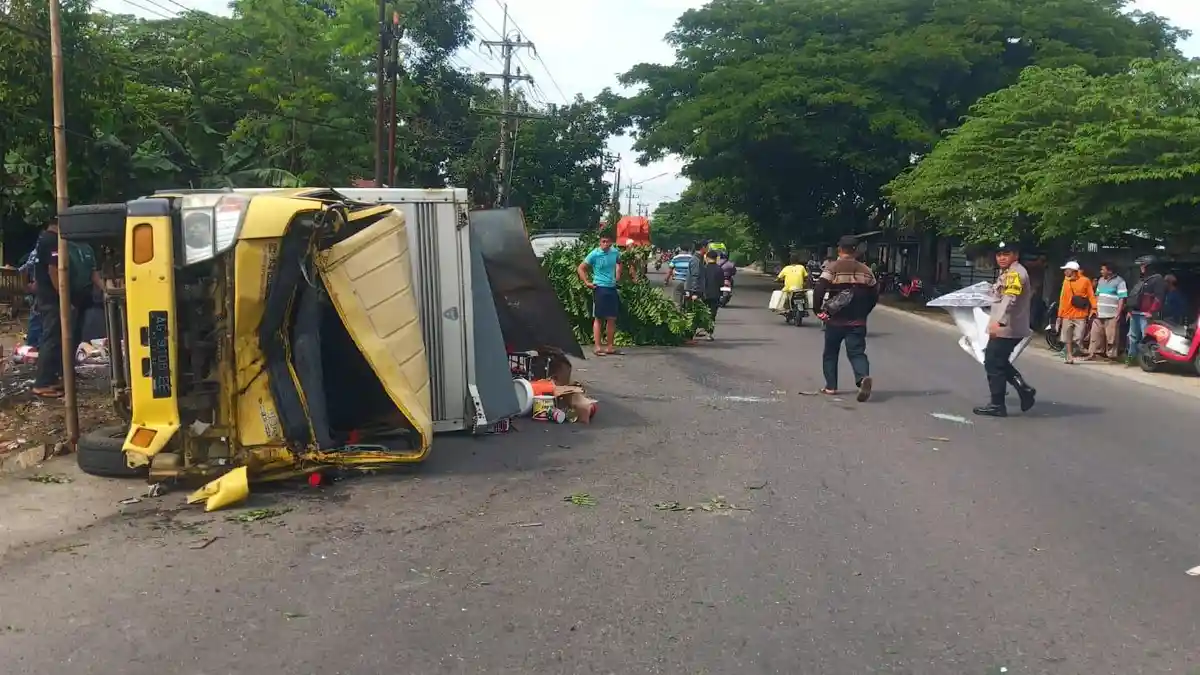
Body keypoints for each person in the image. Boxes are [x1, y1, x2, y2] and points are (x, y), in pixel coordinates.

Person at [31, 217, 102, 398]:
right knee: (52, 338)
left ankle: (56, 377)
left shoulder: (48, 239)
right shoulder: (51, 240)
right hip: (52, 298)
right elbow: (54, 270)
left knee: (61, 337)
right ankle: (43, 383)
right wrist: (64, 296)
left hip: (53, 296)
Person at [973, 242, 1036, 417]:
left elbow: (1010, 298)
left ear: (1015, 255)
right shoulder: (1008, 272)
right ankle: (1023, 389)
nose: (1001, 257)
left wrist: (998, 322)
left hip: (1008, 327)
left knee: (993, 363)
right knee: (997, 361)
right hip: (1009, 326)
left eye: (1006, 254)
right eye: (999, 254)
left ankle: (998, 404)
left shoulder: (1015, 273)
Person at [812, 236, 877, 402]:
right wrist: (864, 313)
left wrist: (817, 309)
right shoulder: (866, 270)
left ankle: (831, 387)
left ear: (839, 249)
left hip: (835, 320)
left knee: (830, 353)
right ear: (855, 250)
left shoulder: (832, 267)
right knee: (856, 352)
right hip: (857, 321)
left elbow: (820, 288)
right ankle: (862, 378)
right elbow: (874, 295)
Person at [577, 235, 622, 356]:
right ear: (600, 242)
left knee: (612, 318)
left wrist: (618, 274)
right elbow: (581, 268)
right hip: (599, 287)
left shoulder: (615, 252)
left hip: (612, 287)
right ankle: (597, 347)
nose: (605, 244)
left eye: (608, 241)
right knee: (599, 318)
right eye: (603, 241)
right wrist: (587, 282)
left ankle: (610, 347)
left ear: (611, 242)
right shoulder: (594, 254)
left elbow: (619, 262)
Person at [1125, 255, 1165, 364]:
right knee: (1132, 336)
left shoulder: (1157, 279)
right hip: (1135, 312)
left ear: (1149, 266)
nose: (1141, 267)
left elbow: (1158, 298)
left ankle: (1146, 360)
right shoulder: (1141, 279)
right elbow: (1134, 295)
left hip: (1146, 314)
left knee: (1146, 337)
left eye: (1143, 265)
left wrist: (1151, 311)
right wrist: (1129, 310)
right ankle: (1131, 358)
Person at [1055, 261, 1096, 365]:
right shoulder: (1066, 281)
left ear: (1072, 271)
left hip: (1080, 314)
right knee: (1067, 338)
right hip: (1067, 314)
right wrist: (1059, 316)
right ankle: (1069, 356)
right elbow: (1062, 298)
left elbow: (1091, 295)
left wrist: (1094, 308)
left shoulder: (1085, 281)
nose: (1064, 272)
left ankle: (1079, 348)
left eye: (1066, 270)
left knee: (1078, 337)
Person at [1087, 262, 1127, 360]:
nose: (1101, 271)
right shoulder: (1100, 280)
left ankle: (1111, 356)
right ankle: (1095, 353)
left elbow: (1122, 298)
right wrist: (1094, 309)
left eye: (1103, 269)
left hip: (1112, 314)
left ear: (1109, 271)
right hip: (1099, 313)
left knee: (1111, 337)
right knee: (1096, 334)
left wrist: (1118, 312)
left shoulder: (1120, 281)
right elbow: (1097, 295)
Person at [700, 251, 725, 341]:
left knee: (703, 313)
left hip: (704, 295)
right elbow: (722, 283)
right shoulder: (720, 269)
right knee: (712, 315)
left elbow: (701, 282)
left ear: (707, 258)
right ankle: (709, 334)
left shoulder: (704, 268)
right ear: (716, 258)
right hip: (715, 295)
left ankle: (701, 330)